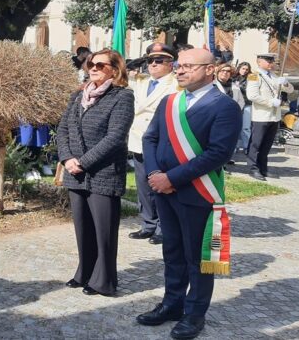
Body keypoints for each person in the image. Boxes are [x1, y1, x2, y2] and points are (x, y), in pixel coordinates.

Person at [137, 48, 241, 339]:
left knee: (197, 257)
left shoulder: (225, 106)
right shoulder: (169, 102)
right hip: (164, 191)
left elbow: (218, 153)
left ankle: (195, 314)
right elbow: (150, 138)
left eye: (188, 66)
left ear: (210, 70)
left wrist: (172, 178)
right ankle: (172, 303)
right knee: (172, 251)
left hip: (197, 192)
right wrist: (156, 175)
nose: (179, 71)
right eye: (179, 66)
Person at [56, 48, 134, 297]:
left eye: (100, 65)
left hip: (104, 171)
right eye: (91, 63)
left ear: (115, 69)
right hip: (74, 172)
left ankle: (104, 280)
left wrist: (84, 162)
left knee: (104, 229)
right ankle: (84, 272)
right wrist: (67, 158)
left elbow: (115, 137)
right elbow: (62, 130)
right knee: (82, 226)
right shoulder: (77, 95)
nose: (93, 68)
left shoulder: (122, 97)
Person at [127, 43, 179, 245]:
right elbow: (120, 72)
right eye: (150, 61)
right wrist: (137, 62)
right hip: (139, 141)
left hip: (161, 143)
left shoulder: (176, 84)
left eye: (159, 61)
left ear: (171, 64)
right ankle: (148, 224)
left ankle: (163, 228)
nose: (153, 65)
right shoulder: (140, 81)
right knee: (143, 187)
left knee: (161, 186)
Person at [245, 53, 294, 181]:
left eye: (271, 61)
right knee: (256, 143)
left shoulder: (274, 76)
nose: (270, 63)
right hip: (261, 115)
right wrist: (270, 102)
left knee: (267, 144)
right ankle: (253, 168)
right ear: (259, 62)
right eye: (267, 61)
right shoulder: (254, 76)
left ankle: (263, 168)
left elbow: (291, 90)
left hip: (274, 116)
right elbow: (252, 95)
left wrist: (286, 83)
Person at [235, 61, 253, 153]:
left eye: (247, 69)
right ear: (239, 68)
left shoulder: (251, 78)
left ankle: (247, 147)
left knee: (246, 127)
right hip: (235, 104)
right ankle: (235, 147)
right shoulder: (233, 78)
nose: (245, 71)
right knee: (234, 127)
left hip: (247, 104)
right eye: (243, 68)